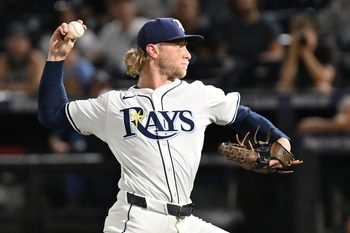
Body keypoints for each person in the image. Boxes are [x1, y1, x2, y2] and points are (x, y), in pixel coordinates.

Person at [38, 18, 295, 233]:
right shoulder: (114, 105)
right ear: (153, 50)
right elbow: (52, 114)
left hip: (184, 221)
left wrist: (280, 140)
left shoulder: (198, 95)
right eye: (179, 45)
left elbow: (243, 117)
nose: (188, 53)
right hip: (137, 220)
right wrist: (56, 58)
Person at [217, 0, 285, 89]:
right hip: (236, 73)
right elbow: (221, 53)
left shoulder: (268, 25)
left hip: (261, 72)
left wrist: (255, 60)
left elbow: (278, 53)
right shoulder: (229, 26)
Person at [277, 14, 336, 94]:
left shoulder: (325, 49)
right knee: (283, 86)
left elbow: (324, 77)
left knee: (323, 86)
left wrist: (306, 53)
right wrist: (293, 53)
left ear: (314, 33)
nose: (302, 36)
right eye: (298, 31)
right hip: (297, 87)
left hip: (322, 89)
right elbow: (286, 78)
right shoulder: (291, 49)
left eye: (306, 31)